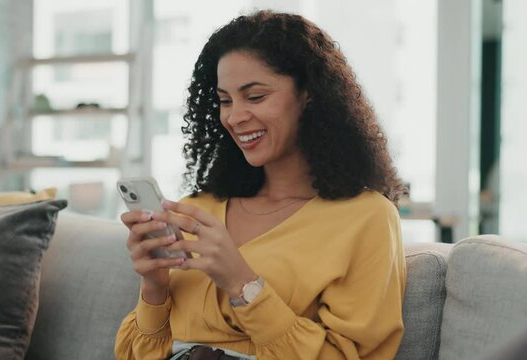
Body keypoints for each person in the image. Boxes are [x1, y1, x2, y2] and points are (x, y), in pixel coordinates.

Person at [115, 10, 406, 360]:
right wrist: (155, 287)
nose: (235, 117)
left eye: (254, 97)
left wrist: (243, 285)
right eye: (225, 101)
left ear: (308, 93)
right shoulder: (199, 209)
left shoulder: (367, 218)